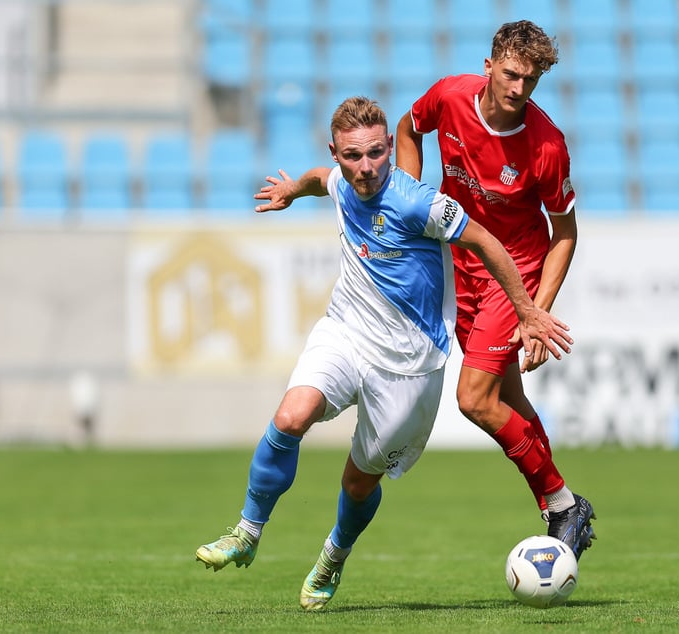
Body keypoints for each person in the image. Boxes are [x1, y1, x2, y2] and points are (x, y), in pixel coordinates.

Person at [195, 96, 574, 611]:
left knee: (357, 481)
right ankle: (246, 531)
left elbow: (487, 243)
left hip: (409, 369)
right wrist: (290, 190)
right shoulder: (340, 183)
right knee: (291, 416)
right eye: (353, 156)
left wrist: (528, 311)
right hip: (346, 333)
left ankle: (334, 554)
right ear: (338, 153)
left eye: (376, 153)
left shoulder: (419, 203)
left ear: (390, 150)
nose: (366, 167)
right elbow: (318, 180)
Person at [394, 20, 596, 559]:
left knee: (475, 399)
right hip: (460, 266)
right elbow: (408, 128)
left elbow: (565, 233)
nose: (518, 89)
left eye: (530, 81)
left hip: (517, 275)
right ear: (489, 66)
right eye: (510, 74)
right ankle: (564, 509)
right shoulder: (450, 97)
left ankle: (562, 505)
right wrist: (411, 197)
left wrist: (535, 312)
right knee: (507, 398)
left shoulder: (547, 146)